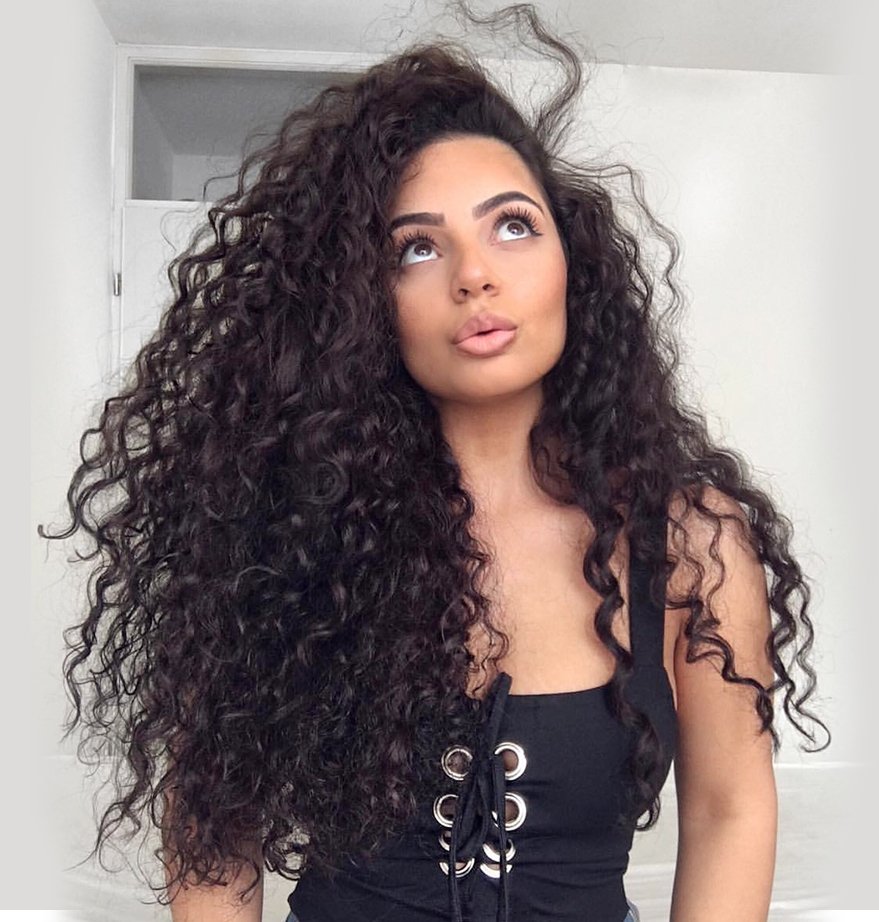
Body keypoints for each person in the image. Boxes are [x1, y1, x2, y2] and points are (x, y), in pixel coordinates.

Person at [40, 3, 829, 920]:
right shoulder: (278, 525)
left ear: (573, 261)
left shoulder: (690, 543)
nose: (474, 274)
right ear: (362, 302)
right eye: (417, 247)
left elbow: (732, 811)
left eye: (513, 226)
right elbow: (214, 837)